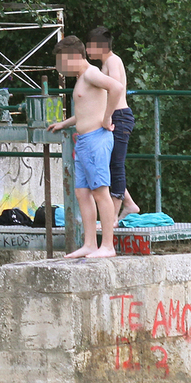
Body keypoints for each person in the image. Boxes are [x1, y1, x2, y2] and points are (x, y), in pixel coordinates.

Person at [48, 36, 125, 259]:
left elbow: (117, 88)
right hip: (82, 142)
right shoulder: (82, 78)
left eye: (62, 61)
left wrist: (107, 117)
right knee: (82, 193)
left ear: (74, 57)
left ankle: (107, 246)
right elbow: (85, 110)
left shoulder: (91, 73)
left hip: (96, 139)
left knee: (101, 192)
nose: (60, 68)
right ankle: (90, 243)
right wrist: (65, 123)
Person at [86, 27, 140, 223]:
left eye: (89, 46)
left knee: (116, 165)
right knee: (107, 164)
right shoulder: (106, 63)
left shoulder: (113, 61)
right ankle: (129, 203)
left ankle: (113, 218)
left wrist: (107, 116)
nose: (87, 50)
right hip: (113, 117)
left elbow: (115, 89)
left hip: (118, 117)